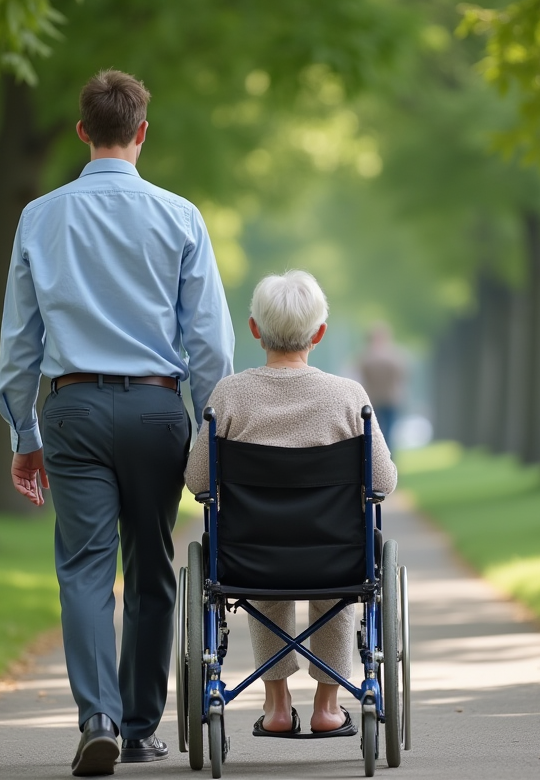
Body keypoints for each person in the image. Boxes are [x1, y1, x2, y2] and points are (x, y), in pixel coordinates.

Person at [0, 69, 235, 777]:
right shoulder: (180, 216)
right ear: (142, 132)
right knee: (152, 564)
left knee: (84, 569)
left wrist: (24, 435)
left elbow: (18, 344)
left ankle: (95, 717)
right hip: (157, 410)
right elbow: (211, 344)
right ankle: (137, 728)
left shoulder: (40, 217)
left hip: (70, 409)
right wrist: (211, 433)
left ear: (81, 132)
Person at [184, 270, 397, 737]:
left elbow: (197, 480)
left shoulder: (229, 395)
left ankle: (277, 706)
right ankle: (327, 706)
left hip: (251, 557)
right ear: (319, 334)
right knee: (339, 581)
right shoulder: (349, 397)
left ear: (254, 329)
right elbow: (383, 481)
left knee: (265, 566)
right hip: (335, 556)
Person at [357, 322, 407, 447]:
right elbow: (401, 374)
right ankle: (386, 454)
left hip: (379, 399)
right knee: (386, 430)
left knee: (379, 430)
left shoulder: (366, 357)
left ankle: (380, 453)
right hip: (385, 399)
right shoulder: (394, 356)